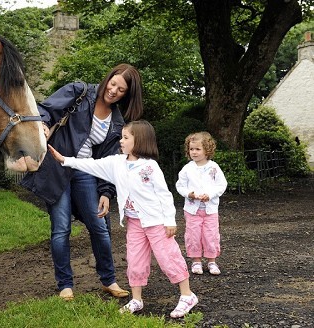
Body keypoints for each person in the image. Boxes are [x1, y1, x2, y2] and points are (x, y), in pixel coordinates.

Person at [48, 121, 198, 318]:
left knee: (167, 257)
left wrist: (170, 220)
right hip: (134, 223)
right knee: (135, 259)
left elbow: (164, 194)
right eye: (122, 137)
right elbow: (92, 164)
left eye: (126, 137)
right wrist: (65, 160)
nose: (121, 140)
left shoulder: (150, 166)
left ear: (140, 141)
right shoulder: (116, 163)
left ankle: (187, 295)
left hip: (156, 222)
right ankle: (136, 299)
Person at [21, 64, 144, 301]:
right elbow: (45, 108)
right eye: (113, 83)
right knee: (61, 228)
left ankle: (109, 280)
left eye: (121, 90)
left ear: (127, 94)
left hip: (84, 171)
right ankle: (65, 285)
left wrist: (106, 193)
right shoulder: (80, 92)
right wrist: (44, 125)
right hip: (57, 167)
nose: (114, 90)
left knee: (100, 226)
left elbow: (110, 162)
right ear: (107, 78)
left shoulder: (117, 122)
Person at [175, 132, 227, 275]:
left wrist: (210, 195)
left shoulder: (214, 167)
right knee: (193, 235)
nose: (194, 152)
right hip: (192, 210)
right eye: (191, 149)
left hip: (210, 210)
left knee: (211, 234)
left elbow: (221, 185)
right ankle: (196, 261)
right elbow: (180, 186)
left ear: (207, 150)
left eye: (198, 149)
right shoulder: (187, 168)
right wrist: (189, 194)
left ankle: (212, 261)